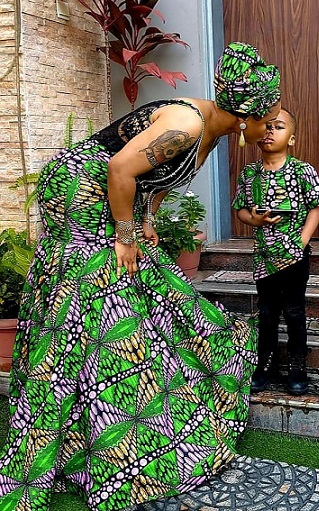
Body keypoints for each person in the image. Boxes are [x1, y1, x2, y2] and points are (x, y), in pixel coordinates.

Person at [0, 42, 281, 511]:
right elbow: (120, 167)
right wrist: (126, 235)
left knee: (151, 287)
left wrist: (146, 219)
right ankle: (80, 432)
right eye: (267, 120)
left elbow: (156, 178)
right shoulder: (188, 125)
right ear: (244, 117)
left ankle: (108, 419)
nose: (269, 129)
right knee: (99, 292)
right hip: (81, 186)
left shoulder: (212, 131)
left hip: (116, 192)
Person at [232, 108, 319, 396]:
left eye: (278, 127)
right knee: (267, 311)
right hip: (264, 256)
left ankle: (298, 366)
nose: (270, 131)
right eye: (266, 126)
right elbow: (240, 210)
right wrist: (255, 220)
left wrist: (302, 240)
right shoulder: (250, 173)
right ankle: (266, 364)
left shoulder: (302, 171)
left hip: (295, 256)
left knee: (295, 311)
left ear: (292, 139)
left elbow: (317, 205)